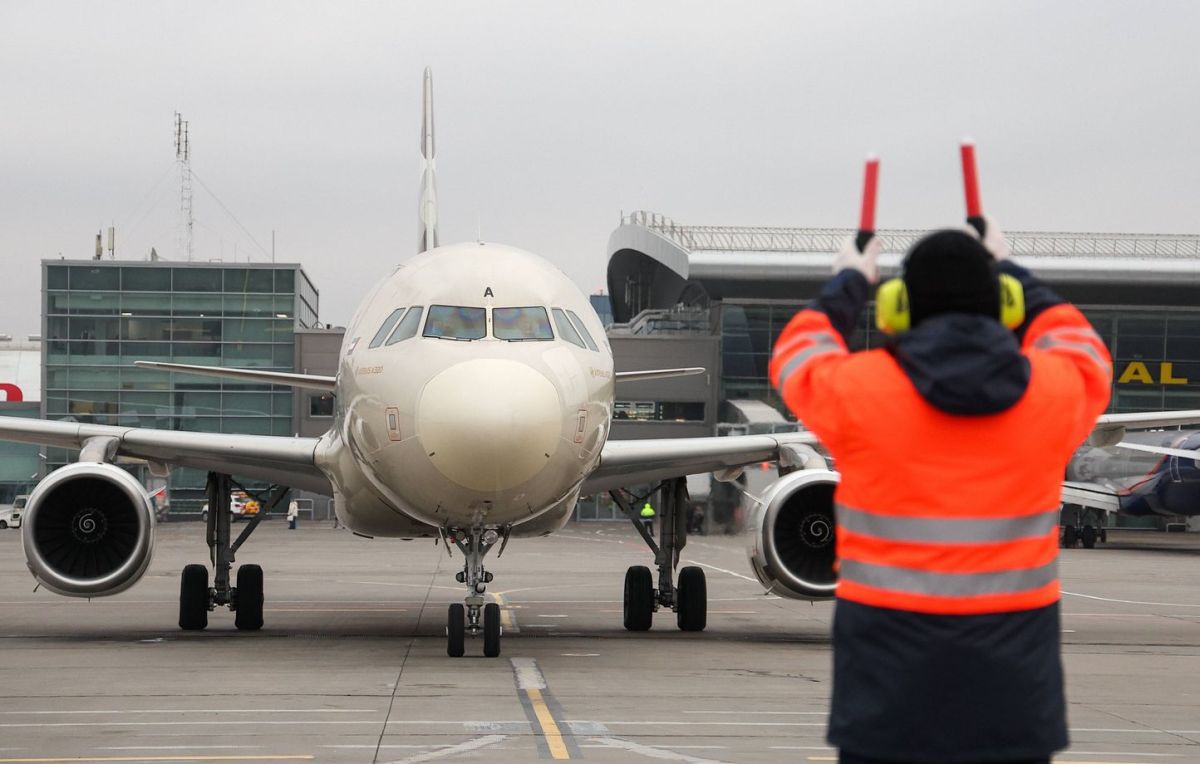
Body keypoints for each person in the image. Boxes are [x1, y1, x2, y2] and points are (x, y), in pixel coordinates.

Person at [769, 219, 1111, 764]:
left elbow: (795, 353)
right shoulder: (1052, 393)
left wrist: (849, 281)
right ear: (1004, 306)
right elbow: (1084, 348)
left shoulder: (861, 391)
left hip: (887, 704)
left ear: (897, 308)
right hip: (1013, 704)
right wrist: (1013, 269)